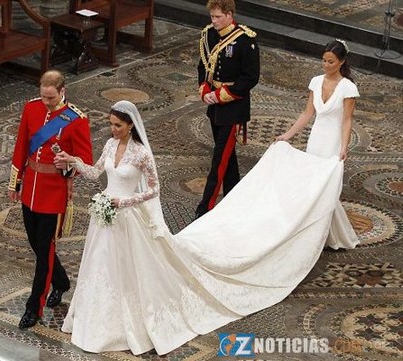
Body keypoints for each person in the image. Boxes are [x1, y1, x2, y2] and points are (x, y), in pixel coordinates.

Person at [54, 100, 354, 356]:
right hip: (105, 217)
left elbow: (153, 191)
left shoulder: (141, 154)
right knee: (100, 266)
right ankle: (95, 320)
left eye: (118, 125)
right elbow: (95, 174)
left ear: (130, 126)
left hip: (127, 216)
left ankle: (130, 321)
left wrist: (127, 201)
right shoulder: (108, 145)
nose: (113, 130)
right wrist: (74, 161)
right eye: (111, 124)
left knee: (129, 268)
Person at [8, 69, 93, 329]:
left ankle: (34, 306)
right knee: (36, 244)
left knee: (44, 252)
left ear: (62, 91)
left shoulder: (76, 120)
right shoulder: (31, 108)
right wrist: (16, 183)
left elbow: (85, 161)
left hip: (53, 194)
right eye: (43, 96)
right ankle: (62, 281)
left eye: (51, 98)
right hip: (31, 187)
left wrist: (68, 164)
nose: (46, 102)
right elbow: (22, 145)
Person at [276, 39, 360, 249]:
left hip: (333, 141)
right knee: (312, 185)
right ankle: (315, 233)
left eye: (331, 62)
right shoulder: (315, 81)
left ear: (341, 62)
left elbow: (347, 119)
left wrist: (344, 147)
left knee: (325, 187)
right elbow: (307, 113)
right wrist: (288, 135)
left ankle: (320, 236)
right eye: (324, 60)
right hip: (317, 138)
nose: (326, 65)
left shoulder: (348, 88)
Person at [195, 0, 260, 219]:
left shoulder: (245, 41)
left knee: (219, 159)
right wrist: (205, 90)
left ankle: (205, 209)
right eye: (211, 17)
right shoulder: (209, 35)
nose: (213, 22)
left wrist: (222, 96)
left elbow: (251, 77)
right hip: (214, 107)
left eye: (217, 17)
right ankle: (235, 200)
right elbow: (203, 65)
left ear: (229, 15)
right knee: (228, 158)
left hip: (234, 108)